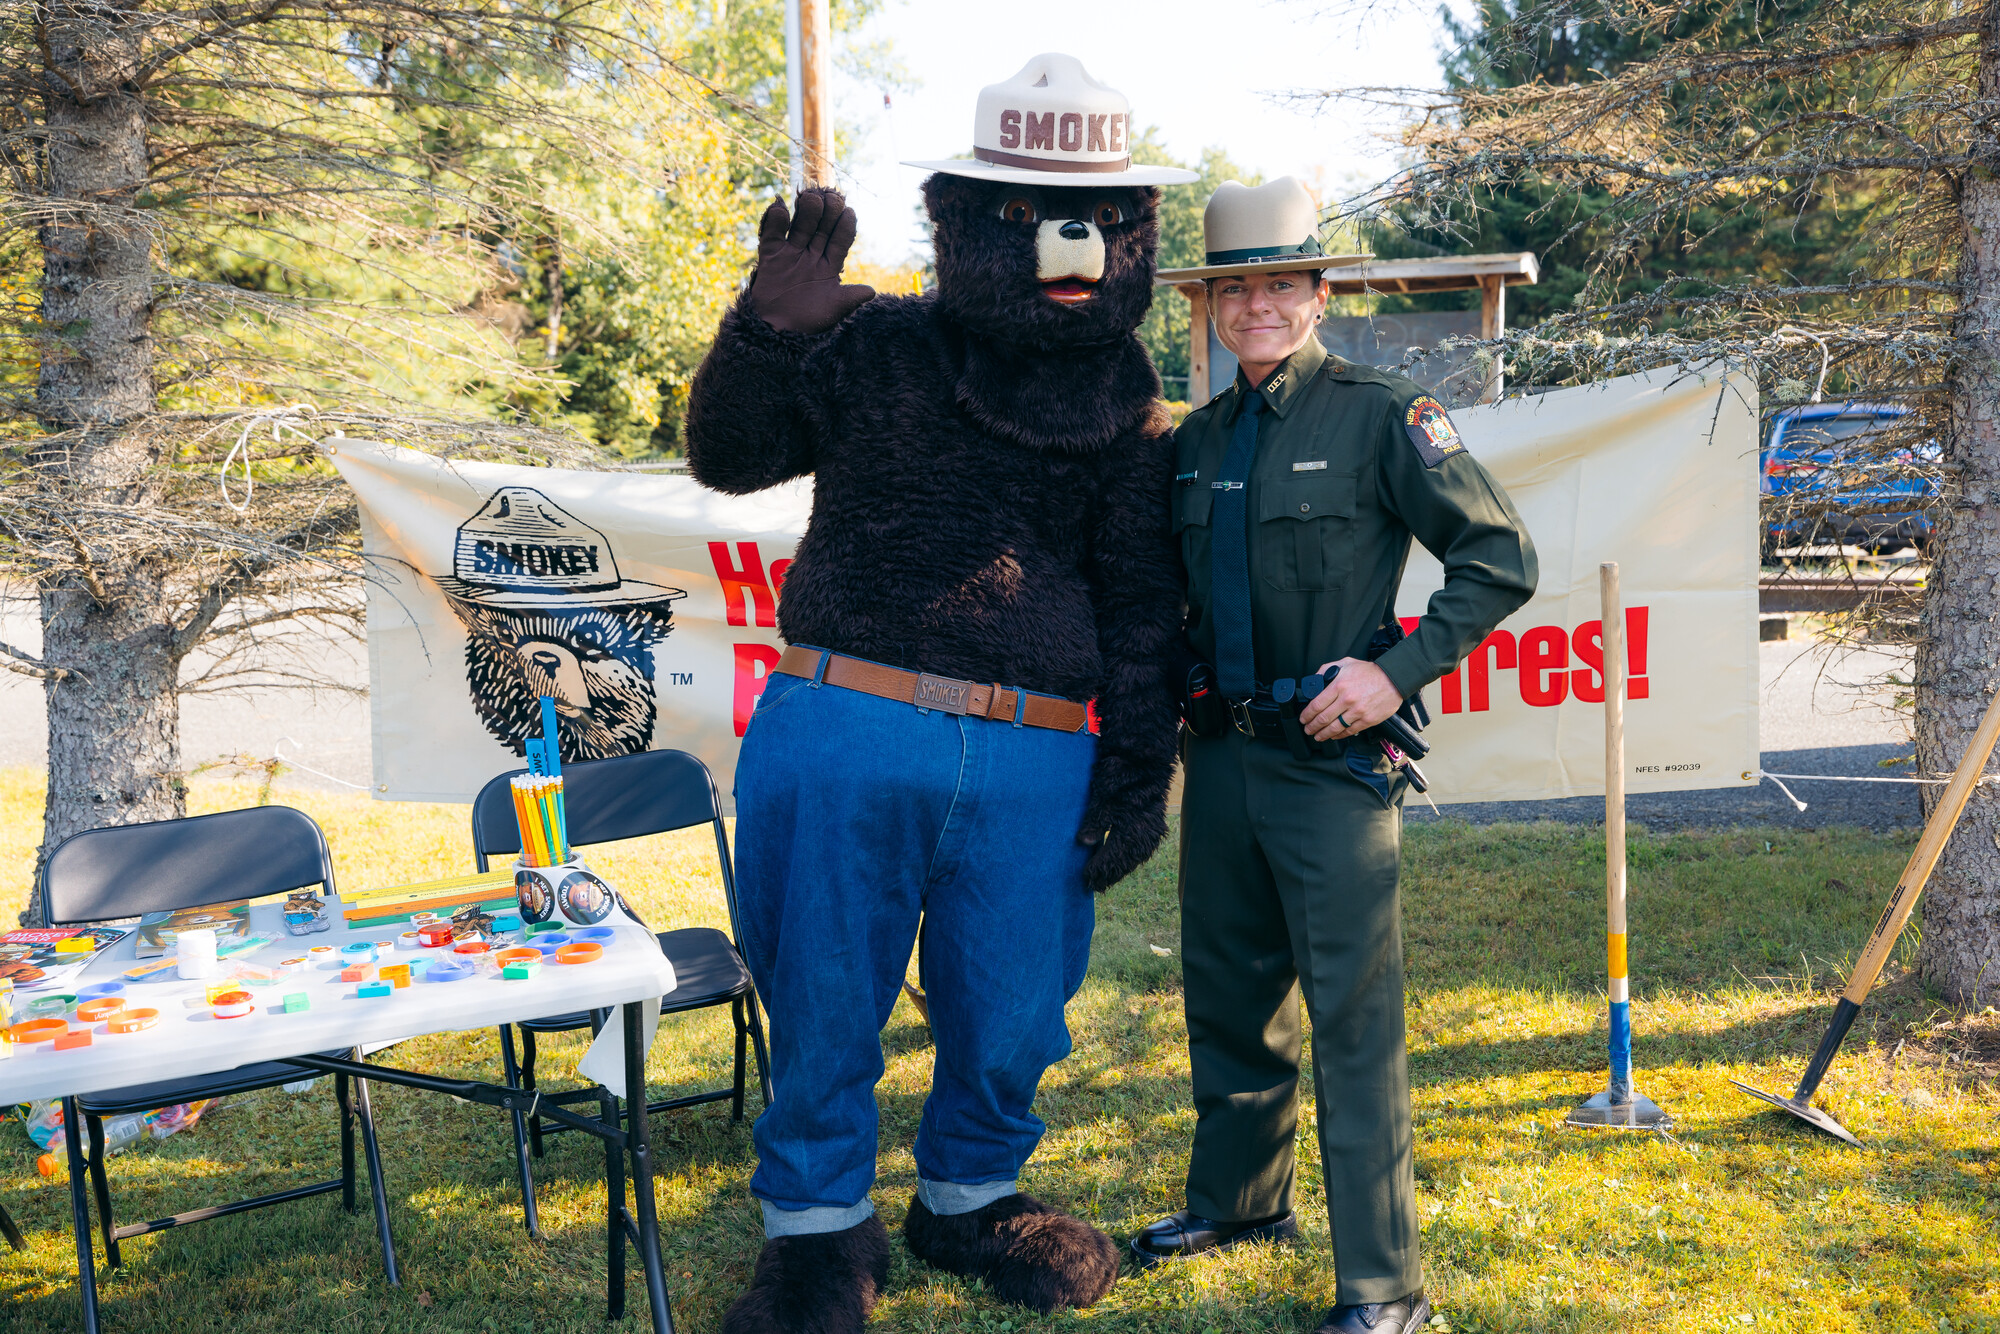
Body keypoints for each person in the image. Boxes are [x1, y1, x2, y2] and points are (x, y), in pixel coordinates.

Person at [684, 54, 1195, 1333]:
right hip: (847, 718)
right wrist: (761, 336)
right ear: (962, 220)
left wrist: (1134, 772)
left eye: (1096, 217)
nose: (1065, 244)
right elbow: (731, 458)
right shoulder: (880, 341)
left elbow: (1141, 605)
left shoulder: (1131, 408)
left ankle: (968, 1194)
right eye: (1024, 215)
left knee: (1018, 998)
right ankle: (813, 1231)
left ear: (1133, 233)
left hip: (1034, 755)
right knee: (824, 985)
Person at [1137, 177, 1538, 1334]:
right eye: (1233, 287)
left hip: (1328, 767)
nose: (1255, 305)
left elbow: (1496, 556)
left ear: (1317, 294)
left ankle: (1383, 1283)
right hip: (1218, 758)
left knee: (1351, 1019)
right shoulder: (1196, 440)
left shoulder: (1380, 415)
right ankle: (1240, 1197)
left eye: (1277, 283)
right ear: (1209, 306)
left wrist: (1393, 673)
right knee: (1225, 995)